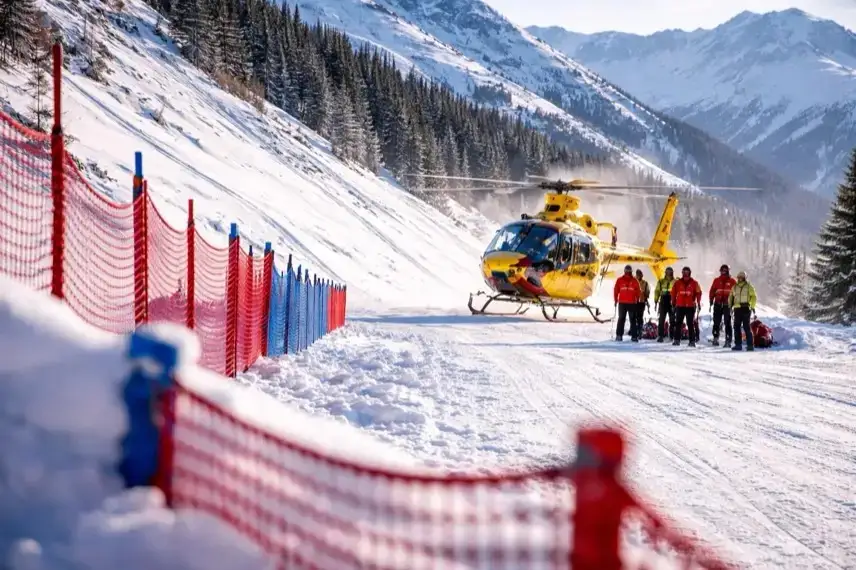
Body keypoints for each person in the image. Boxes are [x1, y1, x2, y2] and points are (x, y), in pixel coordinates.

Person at [670, 266, 702, 347]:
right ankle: (677, 340)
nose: (686, 274)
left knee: (690, 324)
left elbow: (699, 292)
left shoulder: (694, 283)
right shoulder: (677, 283)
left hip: (690, 306)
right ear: (682, 273)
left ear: (690, 273)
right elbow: (673, 293)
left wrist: (698, 302)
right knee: (678, 323)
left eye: (687, 272)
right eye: (684, 272)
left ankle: (692, 341)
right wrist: (673, 303)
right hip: (680, 306)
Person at [709, 264, 736, 347]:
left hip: (727, 305)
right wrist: (711, 300)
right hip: (717, 304)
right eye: (722, 270)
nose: (723, 272)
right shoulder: (716, 280)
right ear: (720, 271)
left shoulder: (732, 281)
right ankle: (715, 338)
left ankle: (728, 340)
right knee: (716, 322)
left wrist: (734, 303)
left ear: (728, 271)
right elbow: (712, 291)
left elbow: (736, 293)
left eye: (725, 270)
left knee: (727, 322)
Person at [728, 271, 757, 351]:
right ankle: (738, 344)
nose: (740, 278)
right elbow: (731, 297)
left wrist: (752, 306)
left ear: (745, 278)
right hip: (737, 309)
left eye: (742, 277)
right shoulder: (734, 287)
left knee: (746, 327)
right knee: (736, 327)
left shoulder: (748, 286)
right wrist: (730, 306)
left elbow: (753, 297)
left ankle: (750, 345)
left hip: (746, 308)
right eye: (739, 276)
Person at [614, 265, 642, 341]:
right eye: (627, 270)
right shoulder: (620, 280)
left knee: (626, 319)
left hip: (629, 303)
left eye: (628, 271)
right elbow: (616, 290)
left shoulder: (634, 280)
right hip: (625, 303)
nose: (628, 272)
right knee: (629, 320)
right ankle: (632, 337)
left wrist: (637, 300)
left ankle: (622, 336)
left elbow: (638, 291)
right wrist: (616, 300)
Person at [653, 267, 676, 342]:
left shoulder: (675, 282)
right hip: (663, 300)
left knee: (672, 319)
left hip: (672, 301)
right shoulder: (661, 281)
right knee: (661, 319)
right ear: (665, 272)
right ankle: (660, 336)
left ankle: (672, 336)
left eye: (670, 272)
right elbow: (657, 291)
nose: (669, 273)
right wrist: (656, 301)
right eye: (667, 272)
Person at [633, 269, 650, 342]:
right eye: (637, 275)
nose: (638, 276)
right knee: (634, 317)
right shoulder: (633, 282)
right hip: (634, 302)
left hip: (641, 302)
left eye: (639, 275)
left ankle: (639, 332)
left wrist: (646, 298)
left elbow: (647, 292)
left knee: (640, 317)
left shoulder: (645, 283)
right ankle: (634, 331)